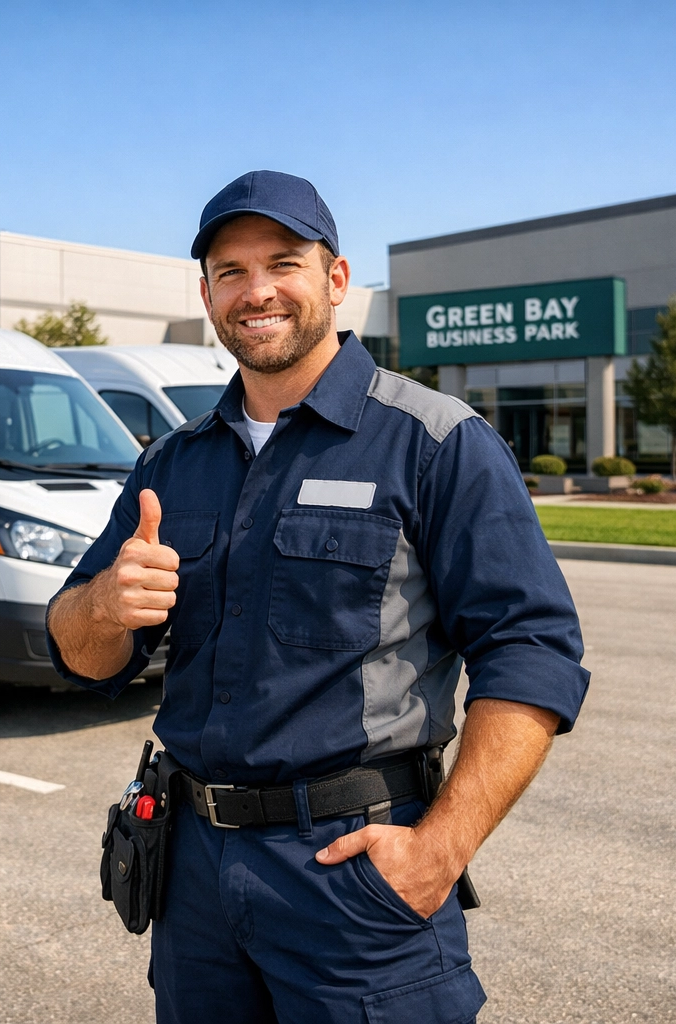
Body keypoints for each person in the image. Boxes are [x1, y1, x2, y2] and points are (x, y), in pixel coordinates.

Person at [46, 170, 589, 1023]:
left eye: (284, 262)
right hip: (192, 873)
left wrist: (440, 850)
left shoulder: (436, 446)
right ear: (207, 294)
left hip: (352, 880)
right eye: (230, 271)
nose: (256, 290)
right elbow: (78, 650)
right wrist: (106, 606)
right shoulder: (171, 464)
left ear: (335, 281)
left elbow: (534, 653)